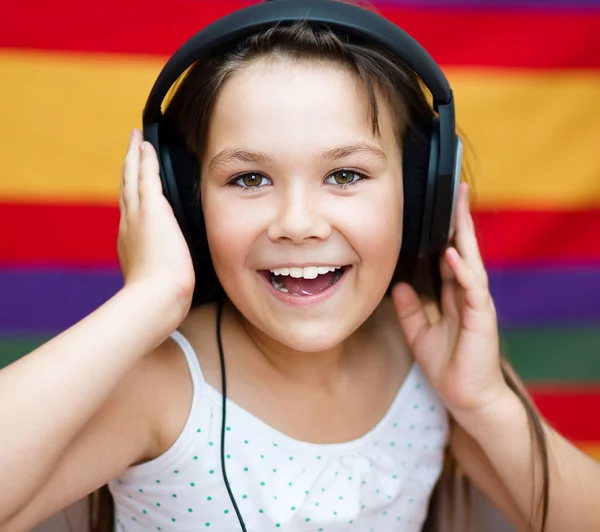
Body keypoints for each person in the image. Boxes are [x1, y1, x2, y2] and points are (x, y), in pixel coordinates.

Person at [1, 7, 599, 532]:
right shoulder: (162, 386)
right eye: (249, 178)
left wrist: (487, 403)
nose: (297, 222)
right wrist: (150, 298)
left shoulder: (433, 359)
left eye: (345, 175)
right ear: (184, 202)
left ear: (421, 196)